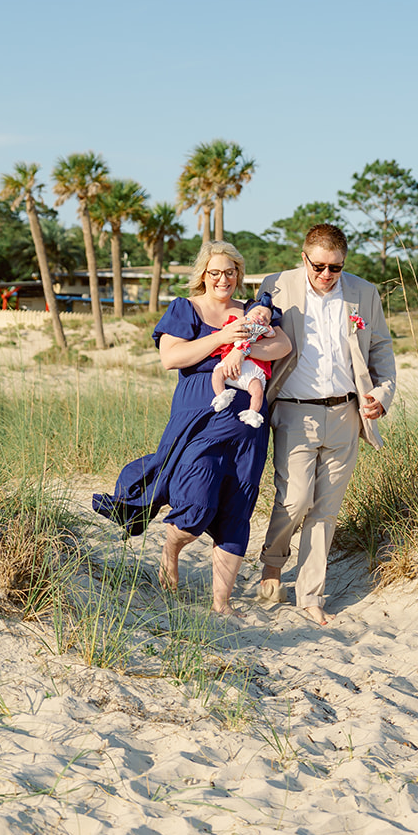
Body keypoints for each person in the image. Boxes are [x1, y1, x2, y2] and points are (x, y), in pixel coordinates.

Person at [93, 242, 291, 617]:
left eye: (230, 272)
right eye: (215, 272)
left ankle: (222, 602)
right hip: (199, 413)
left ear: (239, 274)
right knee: (196, 500)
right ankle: (172, 547)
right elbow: (172, 357)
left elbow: (282, 345)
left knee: (238, 504)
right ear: (203, 274)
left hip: (247, 423)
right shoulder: (186, 309)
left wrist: (243, 349)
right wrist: (221, 339)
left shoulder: (253, 312)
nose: (223, 279)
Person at [256, 224, 396, 626]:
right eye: (318, 266)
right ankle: (272, 564)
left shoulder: (363, 293)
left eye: (335, 268)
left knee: (325, 509)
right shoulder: (276, 285)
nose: (325, 275)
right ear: (304, 258)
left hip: (346, 414)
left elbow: (381, 348)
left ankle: (310, 594)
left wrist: (381, 397)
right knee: (295, 499)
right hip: (294, 411)